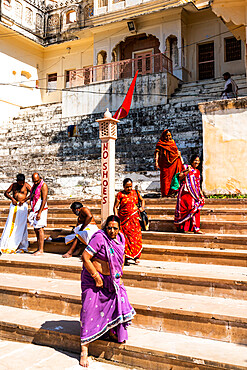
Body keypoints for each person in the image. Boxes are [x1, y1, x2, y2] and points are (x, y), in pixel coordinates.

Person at [79, 215, 135, 367]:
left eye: (115, 228)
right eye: (109, 227)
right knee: (89, 311)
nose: (111, 231)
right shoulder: (99, 237)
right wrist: (96, 276)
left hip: (112, 281)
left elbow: (121, 256)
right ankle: (84, 350)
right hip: (93, 280)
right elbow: (85, 257)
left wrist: (118, 274)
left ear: (119, 228)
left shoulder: (121, 238)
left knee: (120, 301)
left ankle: (111, 332)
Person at [113, 178, 144, 265]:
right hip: (124, 220)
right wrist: (116, 217)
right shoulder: (120, 195)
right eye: (127, 187)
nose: (129, 189)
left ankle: (136, 257)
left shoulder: (136, 193)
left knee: (136, 238)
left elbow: (142, 200)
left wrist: (142, 207)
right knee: (125, 239)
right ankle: (126, 258)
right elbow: (115, 207)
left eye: (130, 186)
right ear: (123, 186)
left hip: (134, 220)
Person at [0, 174, 31, 254]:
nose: (21, 184)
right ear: (17, 181)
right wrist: (12, 199)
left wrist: (24, 200)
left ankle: (21, 244)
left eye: (22, 182)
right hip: (14, 205)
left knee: (21, 225)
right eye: (19, 182)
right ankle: (9, 242)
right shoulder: (13, 185)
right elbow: (6, 193)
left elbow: (33, 193)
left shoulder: (26, 185)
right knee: (11, 223)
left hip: (22, 206)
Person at [174, 154, 205, 234]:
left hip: (194, 194)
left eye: (198, 161)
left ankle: (196, 228)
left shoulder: (198, 172)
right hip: (185, 193)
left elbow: (198, 184)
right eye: (195, 160)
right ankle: (181, 227)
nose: (197, 162)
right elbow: (179, 177)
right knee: (185, 209)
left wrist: (201, 194)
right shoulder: (185, 167)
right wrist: (188, 171)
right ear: (191, 161)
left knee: (195, 209)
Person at [155, 129, 183, 197]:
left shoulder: (172, 142)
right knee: (165, 179)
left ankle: (173, 192)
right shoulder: (161, 143)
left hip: (174, 162)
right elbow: (157, 153)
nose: (168, 137)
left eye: (169, 136)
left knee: (174, 177)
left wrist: (179, 155)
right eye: (166, 136)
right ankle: (165, 194)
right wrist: (156, 162)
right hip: (164, 163)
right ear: (163, 136)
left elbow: (176, 150)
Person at [28, 173, 48, 256]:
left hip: (41, 210)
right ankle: (38, 248)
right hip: (34, 210)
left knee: (40, 229)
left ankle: (41, 249)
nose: (35, 183)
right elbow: (32, 196)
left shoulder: (43, 185)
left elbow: (44, 199)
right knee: (36, 229)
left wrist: (40, 212)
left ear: (40, 178)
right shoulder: (34, 186)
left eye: (36, 181)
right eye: (34, 181)